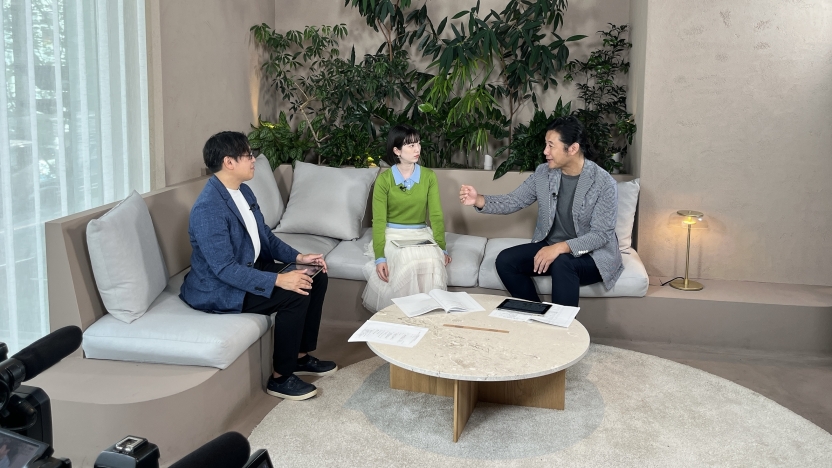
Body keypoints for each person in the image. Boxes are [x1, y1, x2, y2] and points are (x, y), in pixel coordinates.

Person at [180, 131, 336, 401]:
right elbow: (224, 269)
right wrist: (279, 280)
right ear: (229, 162)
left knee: (315, 275)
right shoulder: (208, 208)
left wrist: (299, 258)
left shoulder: (243, 191)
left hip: (247, 270)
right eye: (248, 155)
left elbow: (265, 237)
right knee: (294, 292)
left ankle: (299, 356)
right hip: (219, 287)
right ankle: (281, 378)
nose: (254, 160)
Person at [459, 116, 622, 306]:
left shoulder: (603, 183)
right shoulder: (544, 173)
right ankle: (537, 312)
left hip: (592, 255)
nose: (545, 151)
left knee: (562, 263)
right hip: (552, 247)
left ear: (572, 148)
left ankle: (561, 324)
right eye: (546, 144)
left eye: (551, 146)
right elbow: (515, 200)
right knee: (506, 261)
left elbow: (601, 235)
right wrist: (479, 200)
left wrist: (558, 248)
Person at [362, 124, 452, 312]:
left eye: (418, 143)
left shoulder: (429, 176)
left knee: (432, 260)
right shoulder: (384, 180)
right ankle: (401, 317)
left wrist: (442, 248)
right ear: (397, 151)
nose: (417, 149)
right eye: (411, 145)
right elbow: (378, 221)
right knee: (406, 259)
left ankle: (427, 317)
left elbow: (436, 215)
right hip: (392, 234)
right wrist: (380, 257)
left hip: (420, 233)